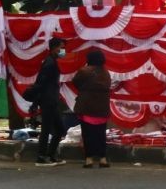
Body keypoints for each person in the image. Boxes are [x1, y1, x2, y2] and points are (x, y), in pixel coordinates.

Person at [72, 49, 112, 169]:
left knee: (87, 133)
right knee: (100, 134)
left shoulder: (84, 71)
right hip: (102, 108)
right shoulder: (106, 73)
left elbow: (75, 82)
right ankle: (103, 158)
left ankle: (89, 159)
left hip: (87, 106)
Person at [34, 37, 67, 166]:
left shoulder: (53, 62)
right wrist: (37, 102)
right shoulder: (49, 63)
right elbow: (41, 83)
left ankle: (51, 155)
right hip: (48, 101)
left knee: (59, 129)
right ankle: (41, 157)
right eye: (61, 48)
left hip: (52, 100)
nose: (63, 51)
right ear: (54, 48)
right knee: (47, 129)